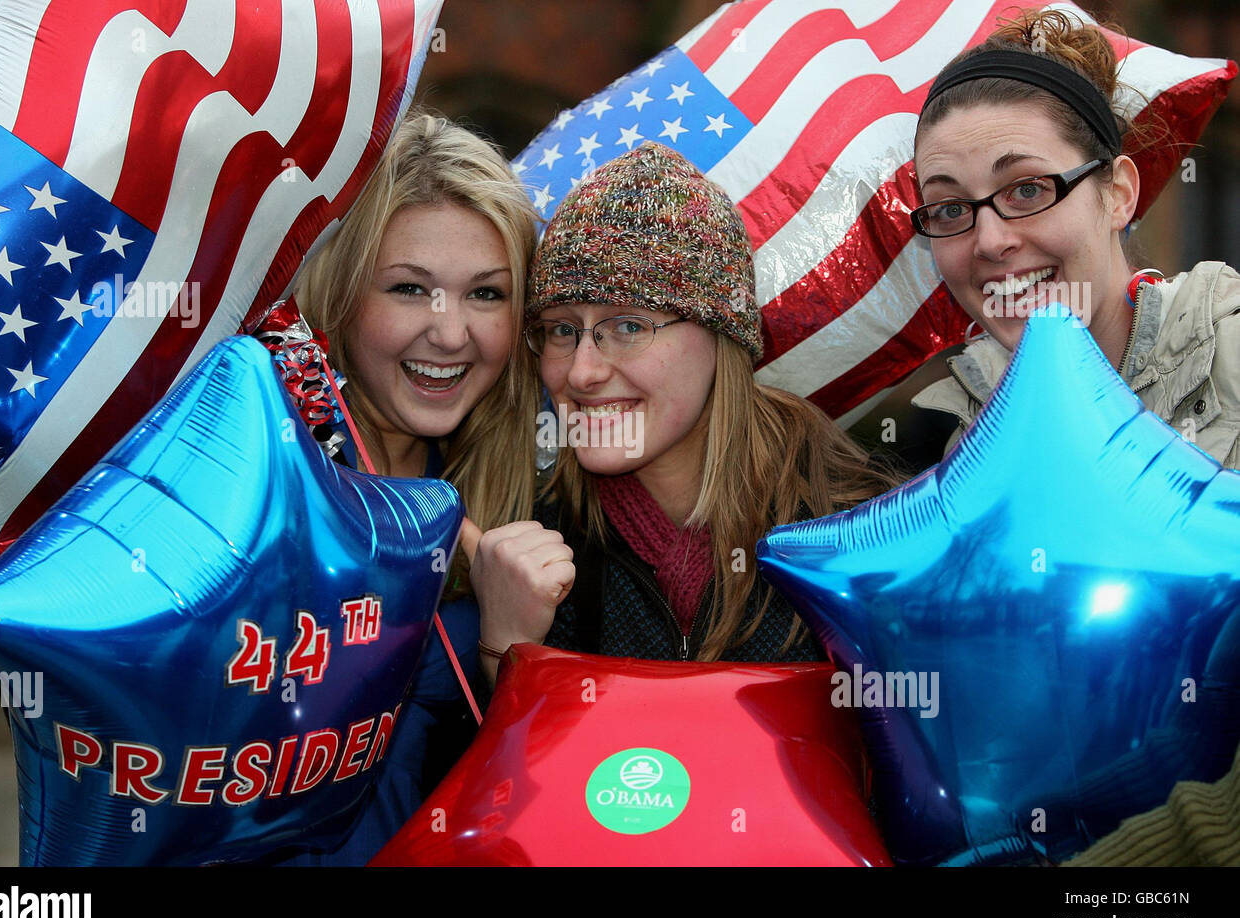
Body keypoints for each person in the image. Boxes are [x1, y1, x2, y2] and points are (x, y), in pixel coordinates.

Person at [464, 142, 900, 684]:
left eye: (628, 326)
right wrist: (508, 649)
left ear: (722, 336)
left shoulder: (864, 532)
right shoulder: (539, 551)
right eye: (560, 330)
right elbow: (527, 766)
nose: (580, 372)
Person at [277, 110, 539, 863]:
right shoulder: (254, 476)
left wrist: (511, 653)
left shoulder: (526, 484)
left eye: (487, 294)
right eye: (409, 288)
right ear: (342, 293)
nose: (451, 332)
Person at [908, 8, 1240, 469]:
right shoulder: (964, 450)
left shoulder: (1233, 358)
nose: (989, 240)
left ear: (1119, 194)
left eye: (1027, 190)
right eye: (949, 209)